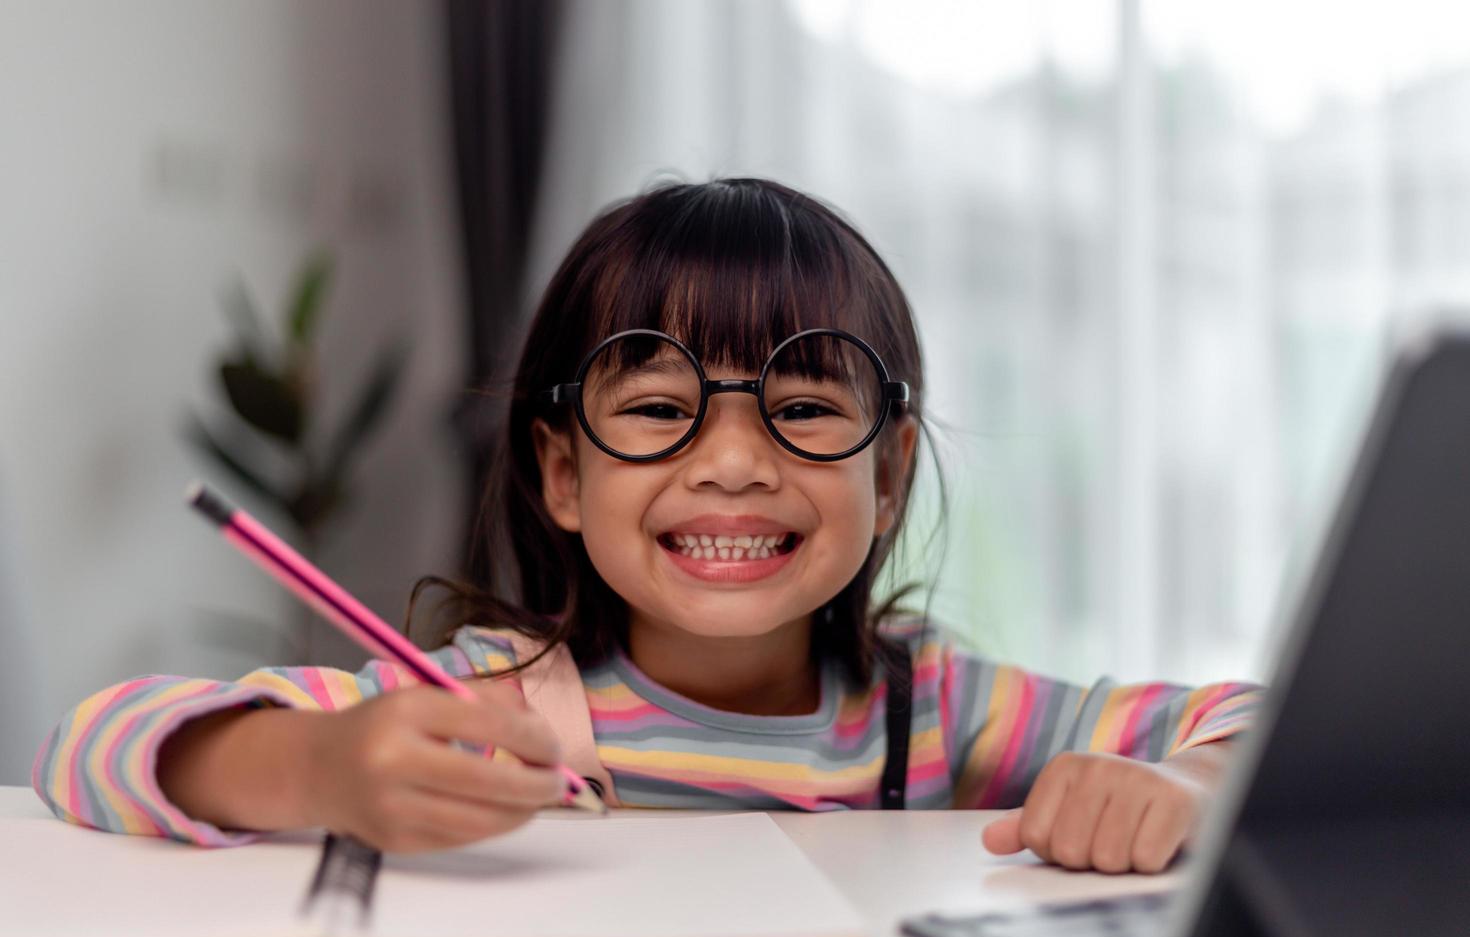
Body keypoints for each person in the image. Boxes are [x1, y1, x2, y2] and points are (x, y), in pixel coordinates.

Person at [32, 178, 1260, 874]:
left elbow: (1266, 724)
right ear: (562, 474)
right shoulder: (499, 706)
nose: (733, 462)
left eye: (800, 408)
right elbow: (89, 742)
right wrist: (320, 769)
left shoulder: (927, 709)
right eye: (662, 406)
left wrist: (1182, 780)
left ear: (887, 474)